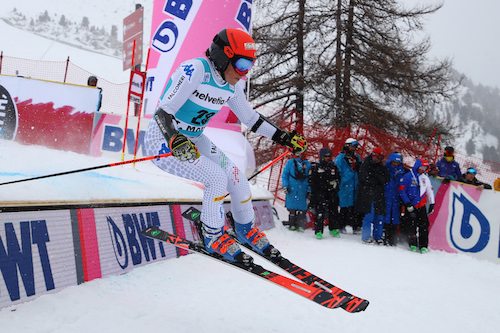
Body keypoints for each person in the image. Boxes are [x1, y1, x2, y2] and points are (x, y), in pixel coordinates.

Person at [143, 28, 307, 263]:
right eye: (241, 64)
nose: (244, 73)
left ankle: (246, 230)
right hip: (163, 140)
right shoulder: (196, 70)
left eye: (249, 67)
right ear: (223, 56)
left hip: (195, 140)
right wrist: (173, 138)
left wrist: (284, 137)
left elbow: (251, 119)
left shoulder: (231, 85)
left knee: (238, 179)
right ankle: (212, 236)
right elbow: (163, 111)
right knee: (216, 178)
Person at [398, 159, 436, 253]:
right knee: (411, 225)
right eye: (421, 167)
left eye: (425, 168)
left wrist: (432, 203)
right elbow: (402, 191)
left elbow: (429, 190)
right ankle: (413, 243)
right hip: (411, 205)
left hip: (421, 206)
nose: (422, 169)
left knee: (424, 225)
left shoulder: (425, 178)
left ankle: (423, 245)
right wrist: (407, 203)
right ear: (417, 166)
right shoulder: (408, 177)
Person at [356, 148, 390, 244]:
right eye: (378, 157)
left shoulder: (382, 167)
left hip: (379, 194)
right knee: (369, 216)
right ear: (373, 155)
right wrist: (378, 179)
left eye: (381, 157)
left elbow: (386, 178)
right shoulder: (365, 165)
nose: (379, 159)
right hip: (368, 194)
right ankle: (366, 237)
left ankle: (377, 236)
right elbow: (365, 179)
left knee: (379, 216)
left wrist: (376, 179)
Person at [308, 147, 342, 239]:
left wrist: (335, 183)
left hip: (331, 192)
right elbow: (311, 180)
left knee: (334, 210)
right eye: (326, 156)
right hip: (320, 192)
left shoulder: (332, 165)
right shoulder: (316, 166)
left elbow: (338, 177)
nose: (327, 158)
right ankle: (318, 231)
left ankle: (333, 228)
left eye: (329, 156)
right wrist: (316, 192)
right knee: (320, 212)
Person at [334, 138, 363, 234]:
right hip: (345, 187)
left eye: (355, 146)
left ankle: (356, 226)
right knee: (344, 208)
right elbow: (337, 175)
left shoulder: (357, 157)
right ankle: (341, 226)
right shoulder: (340, 159)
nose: (353, 148)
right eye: (352, 146)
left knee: (355, 208)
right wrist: (350, 174)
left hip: (355, 186)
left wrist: (359, 170)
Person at [282, 151, 311, 231]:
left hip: (303, 189)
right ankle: (292, 224)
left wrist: (309, 190)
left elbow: (310, 179)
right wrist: (285, 185)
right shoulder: (290, 163)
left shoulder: (308, 165)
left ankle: (300, 225)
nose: (301, 154)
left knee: (302, 209)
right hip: (292, 189)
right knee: (292, 209)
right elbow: (285, 175)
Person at [383, 152, 405, 246]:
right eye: (394, 162)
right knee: (386, 217)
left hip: (396, 197)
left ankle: (393, 238)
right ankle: (385, 237)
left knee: (395, 218)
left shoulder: (402, 172)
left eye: (397, 162)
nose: (395, 164)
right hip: (386, 196)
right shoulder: (385, 170)